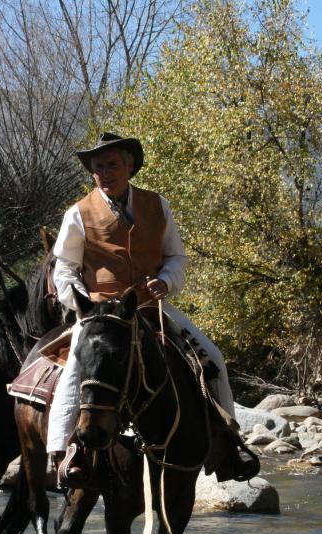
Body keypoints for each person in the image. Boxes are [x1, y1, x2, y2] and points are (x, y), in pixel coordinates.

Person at [46, 132, 238, 485]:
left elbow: (176, 256)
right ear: (92, 173)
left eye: (112, 164)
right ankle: (65, 450)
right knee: (76, 368)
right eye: (98, 166)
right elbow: (64, 269)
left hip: (150, 306)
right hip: (100, 314)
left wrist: (166, 280)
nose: (106, 171)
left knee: (212, 358)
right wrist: (82, 305)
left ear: (129, 166)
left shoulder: (158, 205)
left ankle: (229, 445)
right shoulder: (78, 213)